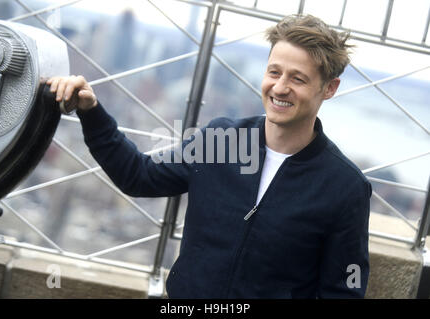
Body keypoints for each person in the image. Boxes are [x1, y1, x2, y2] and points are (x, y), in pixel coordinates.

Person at [47, 14, 371, 299]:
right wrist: (91, 112)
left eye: (297, 78)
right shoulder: (222, 140)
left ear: (329, 88)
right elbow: (138, 174)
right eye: (274, 72)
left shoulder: (345, 187)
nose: (280, 87)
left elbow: (344, 288)